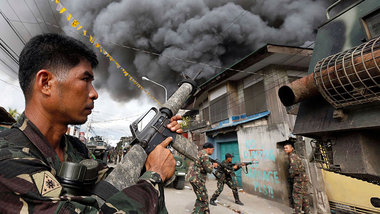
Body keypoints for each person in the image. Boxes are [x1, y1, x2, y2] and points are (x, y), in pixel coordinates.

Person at [0, 33, 182, 213]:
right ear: (46, 83)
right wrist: (155, 176)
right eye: (85, 80)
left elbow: (115, 184)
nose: (94, 93)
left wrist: (154, 149)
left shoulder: (76, 148)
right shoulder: (8, 159)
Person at [188, 142, 218, 214]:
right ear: (208, 149)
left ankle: (205, 212)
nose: (213, 151)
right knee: (202, 198)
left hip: (193, 178)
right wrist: (213, 165)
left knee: (203, 196)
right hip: (197, 179)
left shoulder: (198, 153)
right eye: (212, 149)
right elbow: (209, 169)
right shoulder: (204, 155)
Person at [284, 142, 311, 214]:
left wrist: (291, 176)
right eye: (284, 148)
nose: (285, 149)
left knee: (296, 196)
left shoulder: (292, 156)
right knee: (305, 196)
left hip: (299, 179)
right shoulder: (295, 155)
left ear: (291, 148)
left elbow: (294, 169)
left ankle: (298, 212)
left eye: (287, 148)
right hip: (303, 178)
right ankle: (307, 211)